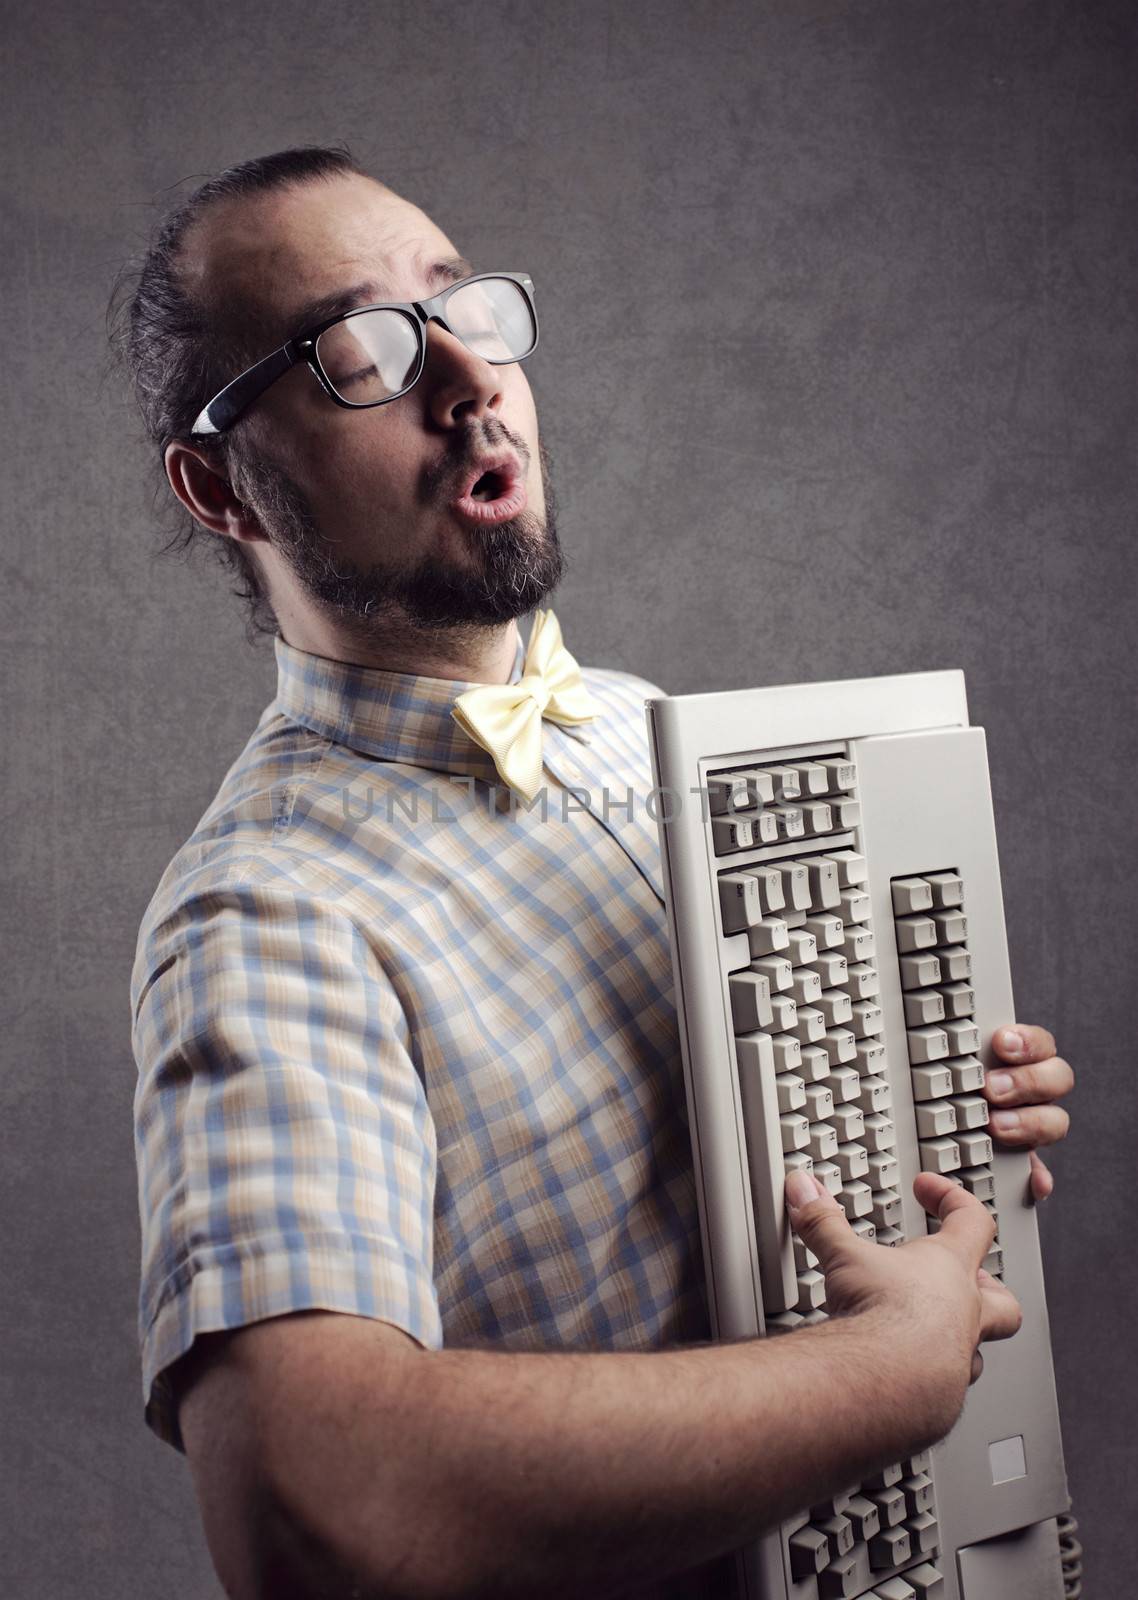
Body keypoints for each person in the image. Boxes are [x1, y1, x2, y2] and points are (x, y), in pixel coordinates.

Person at [121, 146, 1075, 1600]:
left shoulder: (636, 727)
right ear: (219, 486)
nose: (466, 381)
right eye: (359, 350)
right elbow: (314, 1505)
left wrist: (931, 1113)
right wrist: (890, 1370)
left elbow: (762, 1212)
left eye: (465, 311)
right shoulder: (263, 912)